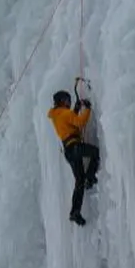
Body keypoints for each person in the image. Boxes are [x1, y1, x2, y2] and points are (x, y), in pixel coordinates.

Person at [48, 89, 100, 225]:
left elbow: (71, 123)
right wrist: (87, 108)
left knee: (79, 181)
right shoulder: (64, 113)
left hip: (69, 151)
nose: (69, 102)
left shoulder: (58, 115)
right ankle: (90, 177)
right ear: (61, 101)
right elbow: (80, 122)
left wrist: (76, 109)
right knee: (95, 152)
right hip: (75, 147)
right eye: (67, 100)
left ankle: (75, 212)